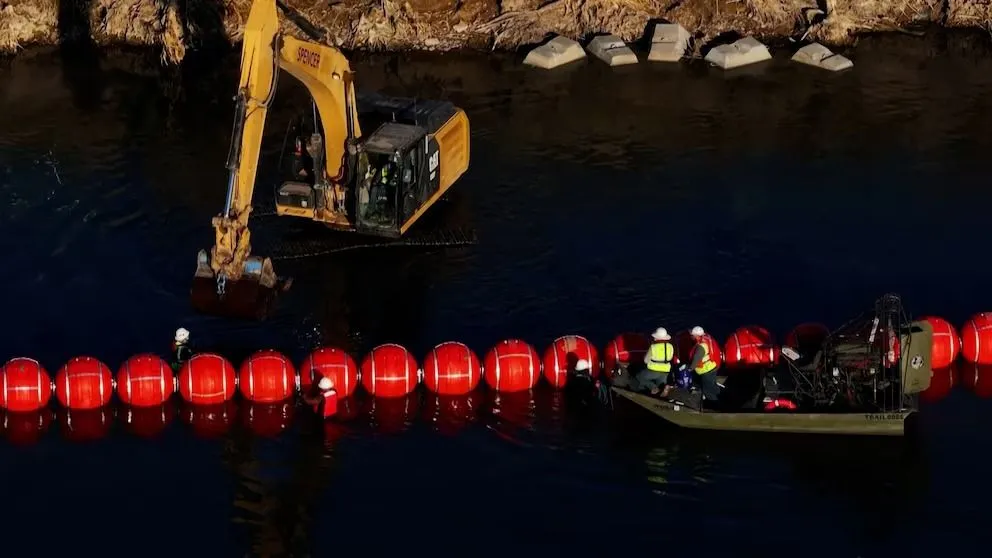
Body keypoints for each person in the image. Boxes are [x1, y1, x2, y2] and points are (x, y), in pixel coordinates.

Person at [680, 326, 720, 403]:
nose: (692, 336)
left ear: (697, 336)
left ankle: (714, 405)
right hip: (712, 366)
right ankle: (718, 394)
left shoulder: (700, 347)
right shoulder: (706, 340)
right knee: (713, 384)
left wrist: (688, 368)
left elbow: (695, 361)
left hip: (706, 371)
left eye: (693, 335)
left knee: (707, 390)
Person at [638, 327, 675, 396]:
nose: (654, 338)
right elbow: (671, 357)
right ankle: (663, 388)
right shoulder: (670, 346)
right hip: (665, 371)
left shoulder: (653, 347)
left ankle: (653, 388)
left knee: (640, 377)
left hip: (653, 370)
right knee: (661, 384)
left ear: (657, 338)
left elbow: (645, 361)